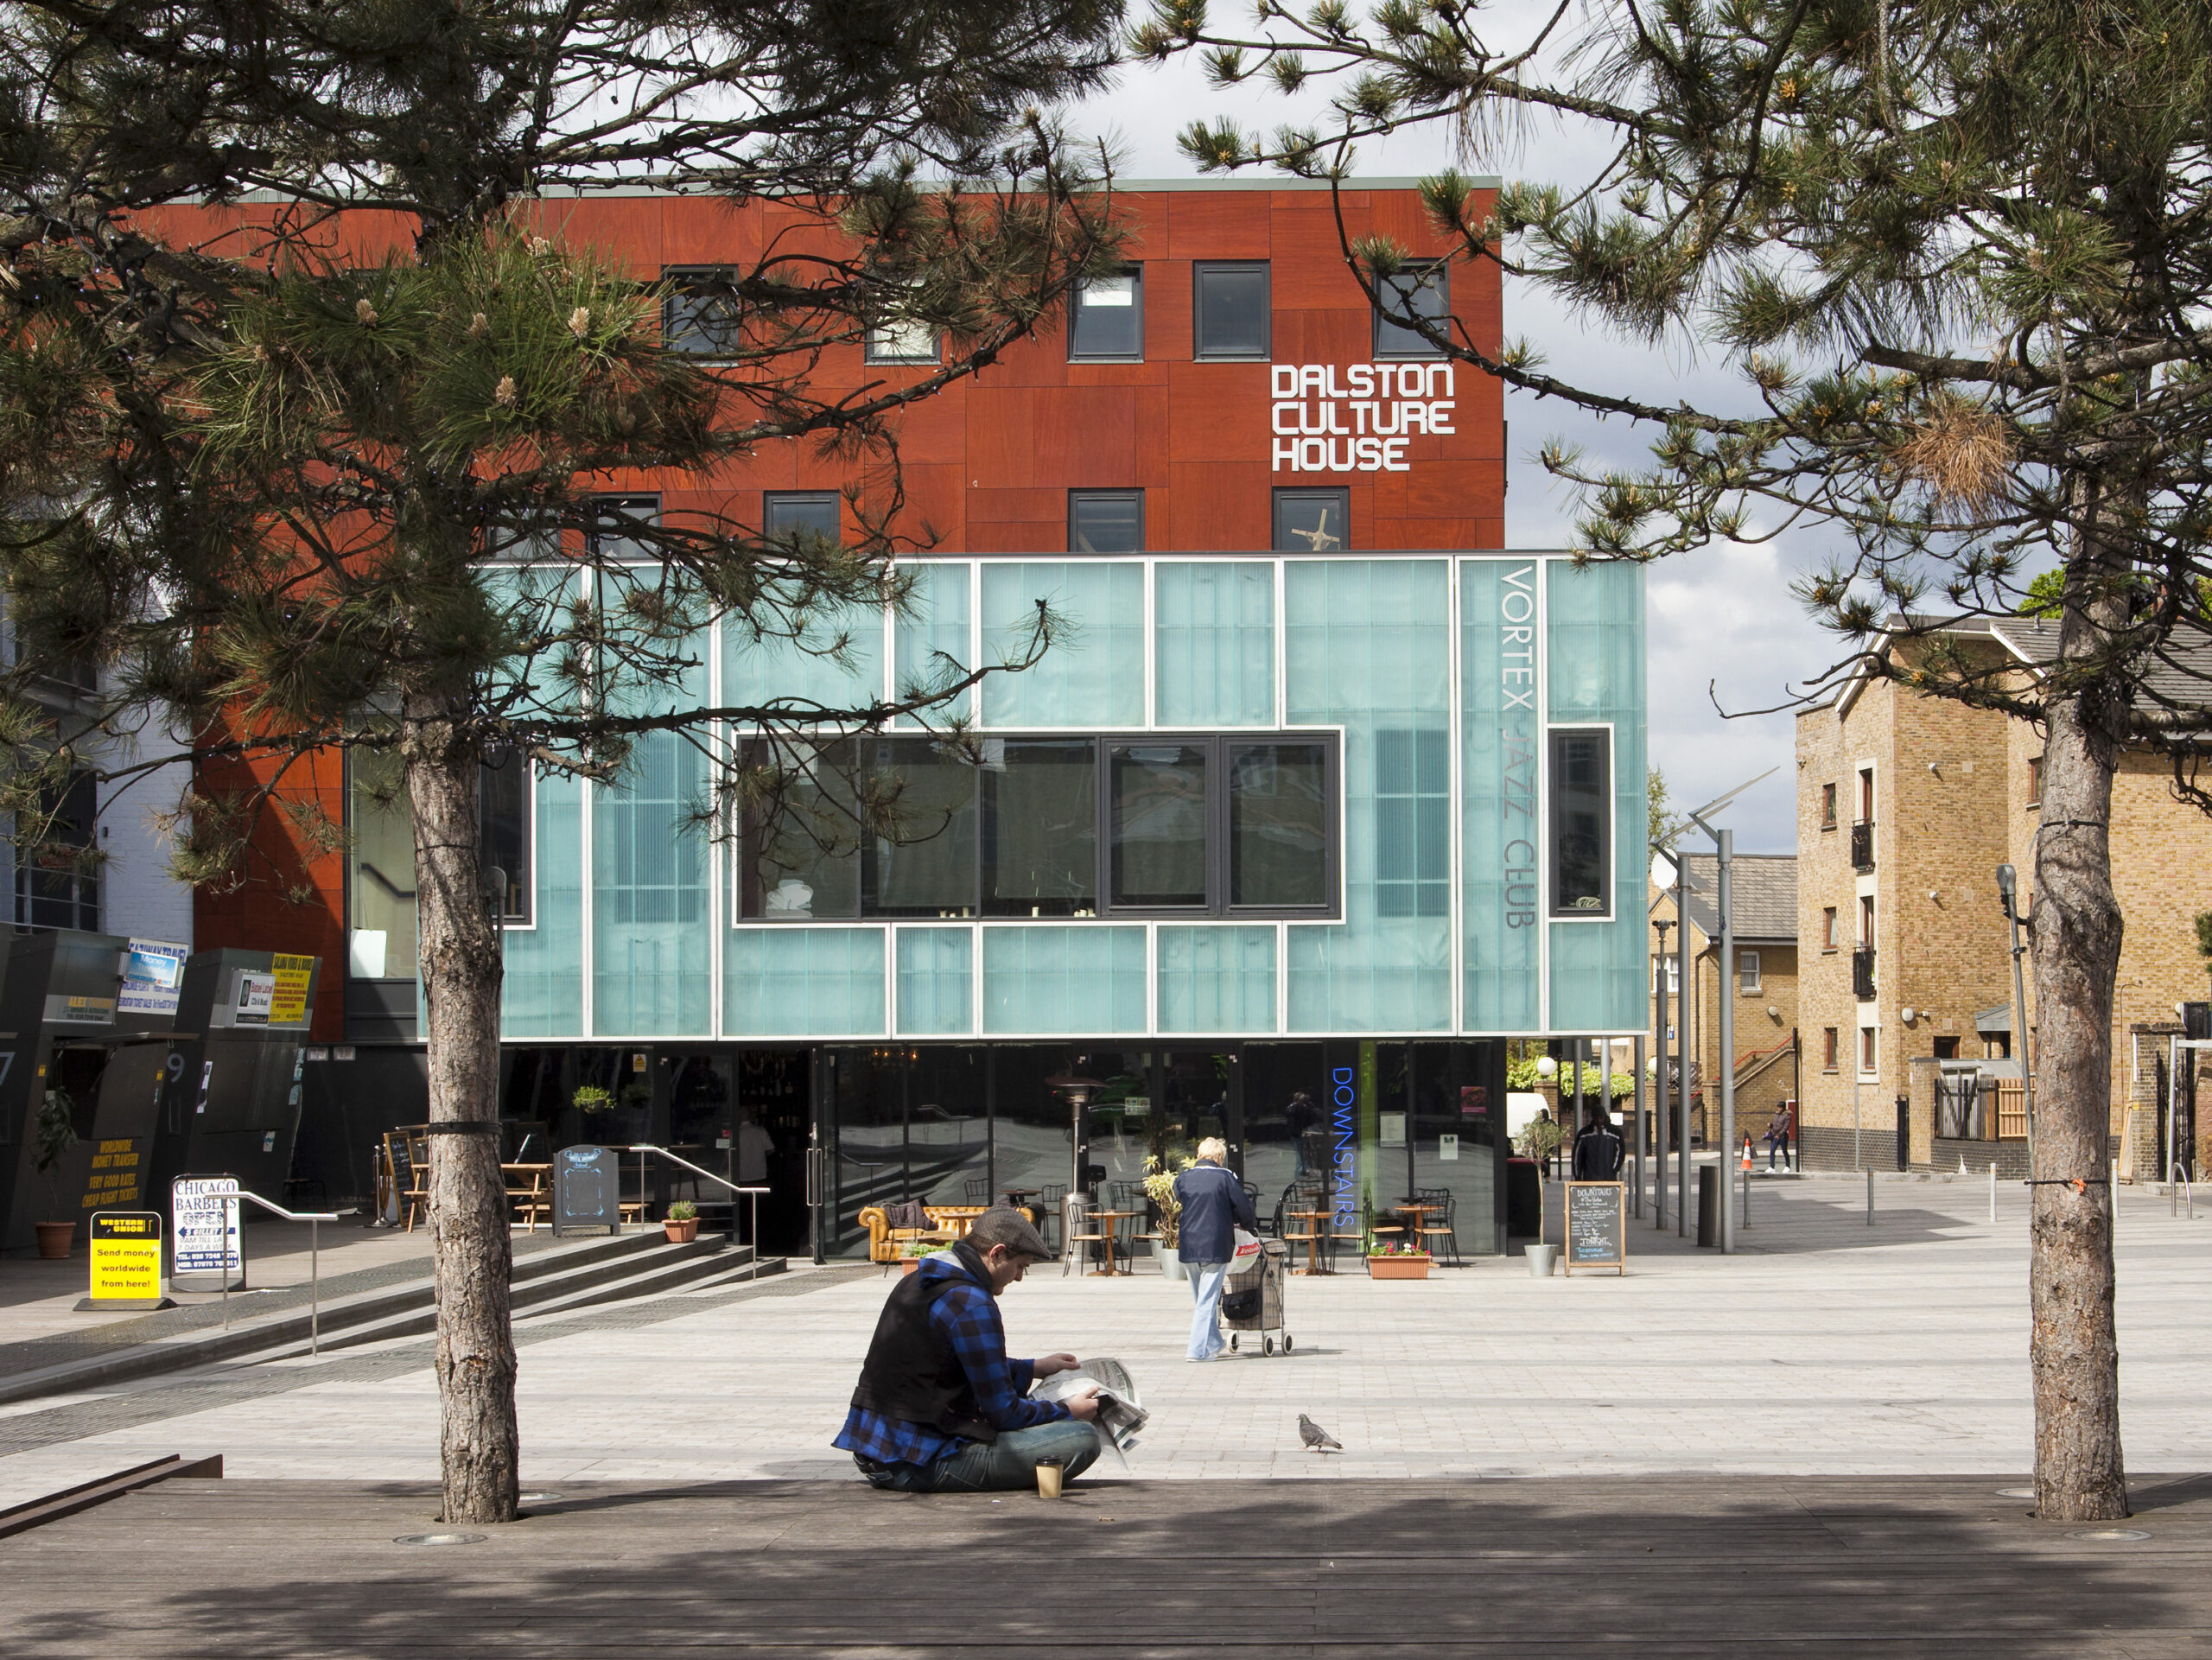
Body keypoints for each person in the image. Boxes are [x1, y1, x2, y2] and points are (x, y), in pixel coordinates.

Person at [835, 1207, 1102, 1493]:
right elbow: (1005, 1414)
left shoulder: (920, 1279)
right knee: (1081, 1437)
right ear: (997, 1254)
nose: (1020, 1278)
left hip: (876, 1453)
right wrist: (1067, 1410)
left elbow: (946, 1363)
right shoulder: (972, 1303)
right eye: (1021, 1266)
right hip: (916, 1462)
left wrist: (1033, 1367)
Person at [1172, 1136, 1258, 1362]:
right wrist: (1247, 1226)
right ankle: (1196, 1351)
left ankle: (1214, 1343)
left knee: (1202, 1300)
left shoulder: (1184, 1178)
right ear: (1220, 1158)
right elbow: (1244, 1209)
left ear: (1199, 1156)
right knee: (1206, 1301)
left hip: (1189, 1246)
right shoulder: (1226, 1177)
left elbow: (1179, 1197)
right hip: (1216, 1245)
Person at [1571, 1103, 1625, 1181]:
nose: (1599, 1121)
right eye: (1596, 1118)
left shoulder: (1615, 1132)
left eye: (1601, 1118)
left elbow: (1620, 1152)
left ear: (1605, 1117)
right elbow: (1577, 1155)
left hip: (1609, 1177)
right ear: (1593, 1118)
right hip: (1590, 1177)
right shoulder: (1584, 1134)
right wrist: (1577, 1175)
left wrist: (1614, 1169)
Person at [735, 1110, 775, 1187]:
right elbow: (771, 1149)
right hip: (760, 1173)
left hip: (742, 1174)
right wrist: (761, 1156)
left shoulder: (736, 1133)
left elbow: (729, 1154)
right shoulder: (761, 1131)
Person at [1286, 1091, 1319, 1175]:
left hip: (1298, 1132)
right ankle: (1303, 1168)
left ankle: (1303, 1168)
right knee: (1301, 1152)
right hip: (1298, 1132)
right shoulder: (1298, 1108)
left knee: (1301, 1152)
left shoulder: (1294, 1107)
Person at [1765, 1101, 1793, 1171]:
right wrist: (1771, 1125)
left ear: (1783, 1108)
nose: (1779, 1109)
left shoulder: (1787, 1116)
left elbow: (1785, 1127)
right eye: (1778, 1107)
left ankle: (1787, 1166)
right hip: (1775, 1135)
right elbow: (1775, 1124)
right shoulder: (1776, 1115)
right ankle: (1772, 1166)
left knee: (1784, 1150)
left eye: (1780, 1107)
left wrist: (1780, 1135)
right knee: (1772, 1150)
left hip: (1782, 1136)